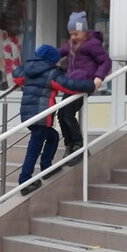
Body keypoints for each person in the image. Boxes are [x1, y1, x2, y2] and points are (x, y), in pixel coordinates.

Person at [12, 45, 96, 195]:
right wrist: (90, 85)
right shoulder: (51, 74)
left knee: (53, 136)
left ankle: (46, 168)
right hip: (41, 116)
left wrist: (27, 64)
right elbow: (69, 86)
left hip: (28, 116)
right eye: (56, 61)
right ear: (50, 60)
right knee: (34, 149)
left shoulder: (28, 71)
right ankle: (24, 181)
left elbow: (16, 77)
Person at [57, 11, 111, 158]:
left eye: (76, 34)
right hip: (71, 84)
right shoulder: (71, 44)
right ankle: (69, 145)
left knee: (68, 114)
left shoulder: (92, 44)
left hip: (83, 84)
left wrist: (98, 77)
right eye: (71, 34)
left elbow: (105, 61)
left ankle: (78, 145)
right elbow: (59, 52)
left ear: (84, 31)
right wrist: (45, 58)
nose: (73, 37)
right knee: (61, 114)